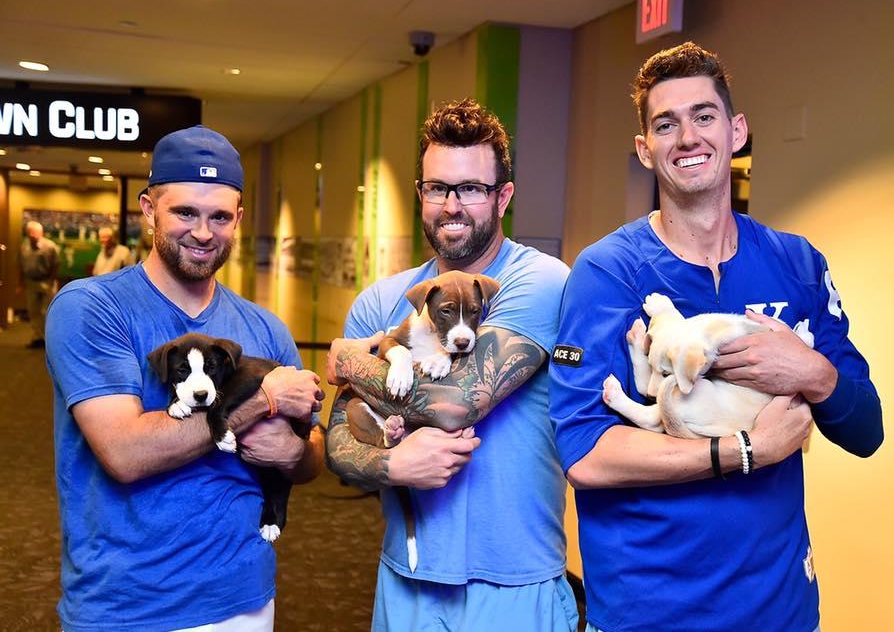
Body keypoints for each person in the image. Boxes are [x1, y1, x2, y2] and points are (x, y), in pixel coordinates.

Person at [549, 42, 884, 632]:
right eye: (665, 124)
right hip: (649, 611)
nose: (688, 137)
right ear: (644, 151)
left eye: (704, 116)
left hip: (779, 610)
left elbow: (866, 430)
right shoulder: (607, 273)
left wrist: (810, 372)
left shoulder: (797, 263)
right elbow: (585, 455)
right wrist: (744, 452)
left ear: (736, 131)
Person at [45, 125, 327, 632]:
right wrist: (260, 401)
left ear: (238, 219)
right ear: (149, 209)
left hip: (244, 599)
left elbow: (310, 456)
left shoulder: (266, 328)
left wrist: (297, 455)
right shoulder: (92, 307)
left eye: (220, 216)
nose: (203, 232)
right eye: (185, 213)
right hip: (128, 606)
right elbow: (125, 454)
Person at [325, 99, 578, 632]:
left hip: (516, 583)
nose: (452, 205)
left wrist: (351, 358)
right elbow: (338, 439)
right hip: (406, 576)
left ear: (503, 196)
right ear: (421, 193)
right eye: (438, 188)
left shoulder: (539, 282)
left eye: (471, 189)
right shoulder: (380, 300)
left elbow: (455, 402)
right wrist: (391, 466)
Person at [19, 220, 59, 348]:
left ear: (41, 233)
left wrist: (51, 282)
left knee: (47, 311)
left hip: (46, 281)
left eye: (35, 233)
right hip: (31, 281)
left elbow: (56, 265)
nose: (33, 236)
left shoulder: (50, 246)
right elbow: (19, 265)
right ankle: (38, 338)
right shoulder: (23, 246)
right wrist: (20, 282)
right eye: (30, 233)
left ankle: (49, 340)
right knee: (33, 311)